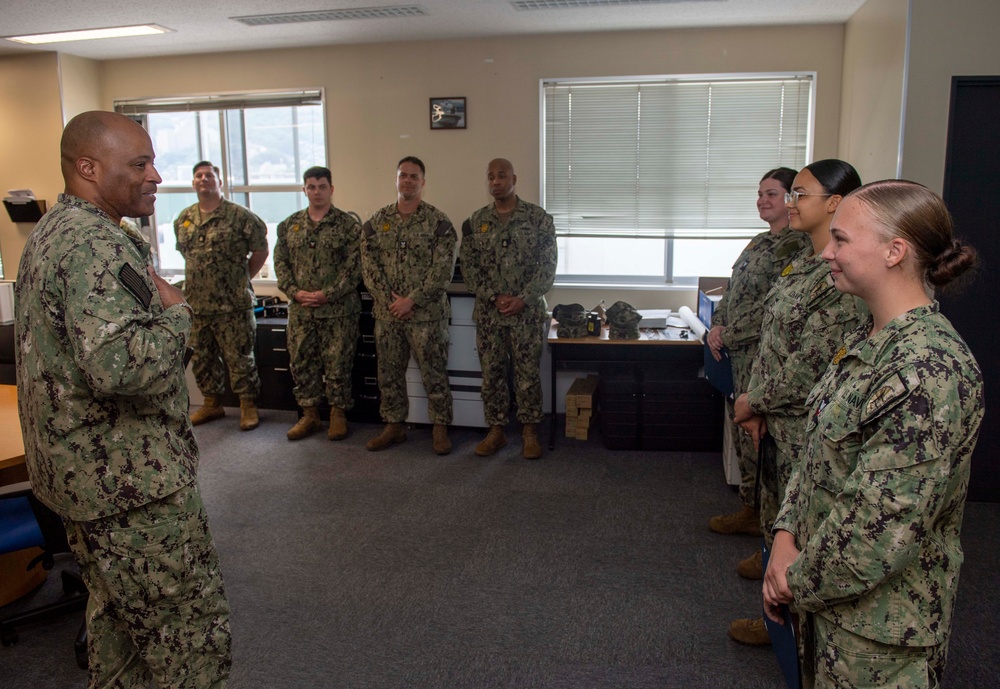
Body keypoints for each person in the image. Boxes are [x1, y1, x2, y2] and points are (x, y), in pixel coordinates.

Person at [14, 111, 231, 687]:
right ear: (87, 167)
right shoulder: (95, 246)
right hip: (131, 484)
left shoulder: (56, 231)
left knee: (120, 632)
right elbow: (121, 367)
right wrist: (180, 312)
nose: (156, 176)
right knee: (188, 639)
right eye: (139, 164)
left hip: (85, 480)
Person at [764, 180, 983, 687]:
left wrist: (788, 583)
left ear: (894, 251)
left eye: (841, 240)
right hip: (825, 599)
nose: (827, 254)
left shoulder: (929, 369)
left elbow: (876, 534)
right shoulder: (870, 338)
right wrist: (784, 535)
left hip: (878, 637)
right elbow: (816, 452)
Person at [728, 159, 867, 646]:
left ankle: (792, 634)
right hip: (775, 421)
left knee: (803, 536)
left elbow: (812, 361)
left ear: (834, 203)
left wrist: (753, 399)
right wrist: (757, 404)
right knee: (778, 524)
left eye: (799, 194)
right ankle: (775, 619)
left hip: (803, 429)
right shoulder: (807, 259)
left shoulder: (839, 272)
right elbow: (778, 337)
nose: (789, 202)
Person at [706, 168, 810, 564]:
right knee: (746, 440)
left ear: (791, 199)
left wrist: (727, 334)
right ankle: (751, 512)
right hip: (739, 355)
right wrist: (718, 323)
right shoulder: (759, 242)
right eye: (759, 194)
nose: (762, 200)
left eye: (772, 193)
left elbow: (774, 310)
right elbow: (733, 291)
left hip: (766, 359)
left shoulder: (799, 247)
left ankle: (773, 539)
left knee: (766, 447)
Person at [459, 159, 558, 459]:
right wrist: (492, 296)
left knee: (527, 374)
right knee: (492, 374)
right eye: (490, 177)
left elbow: (548, 266)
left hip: (526, 314)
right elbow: (469, 267)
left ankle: (529, 430)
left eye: (502, 176)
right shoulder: (476, 222)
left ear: (514, 178)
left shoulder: (538, 219)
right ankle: (497, 430)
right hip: (490, 315)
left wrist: (523, 298)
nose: (496, 181)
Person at [361, 156, 457, 455]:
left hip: (427, 316)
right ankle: (394, 426)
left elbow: (442, 272)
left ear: (423, 182)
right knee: (388, 373)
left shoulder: (439, 223)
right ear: (396, 179)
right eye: (403, 175)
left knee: (434, 372)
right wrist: (393, 303)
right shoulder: (376, 223)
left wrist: (411, 300)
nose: (408, 181)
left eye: (414, 176)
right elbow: (369, 269)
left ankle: (440, 428)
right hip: (388, 315)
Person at [175, 160, 269, 431]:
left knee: (240, 358)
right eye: (198, 176)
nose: (204, 179)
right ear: (194, 182)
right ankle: (211, 403)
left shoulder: (240, 216)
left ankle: (248, 406)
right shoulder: (184, 218)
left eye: (209, 175)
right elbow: (187, 254)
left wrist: (241, 279)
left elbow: (260, 251)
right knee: (203, 359)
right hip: (198, 305)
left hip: (233, 305)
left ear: (220, 181)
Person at [273, 166, 362, 441]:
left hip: (338, 311)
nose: (316, 192)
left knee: (338, 365)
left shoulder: (348, 226)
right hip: (301, 311)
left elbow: (355, 268)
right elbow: (281, 263)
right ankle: (309, 415)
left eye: (322, 186)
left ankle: (337, 415)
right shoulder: (290, 226)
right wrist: (295, 292)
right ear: (304, 190)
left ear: (331, 189)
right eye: (311, 187)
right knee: (302, 363)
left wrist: (328, 293)